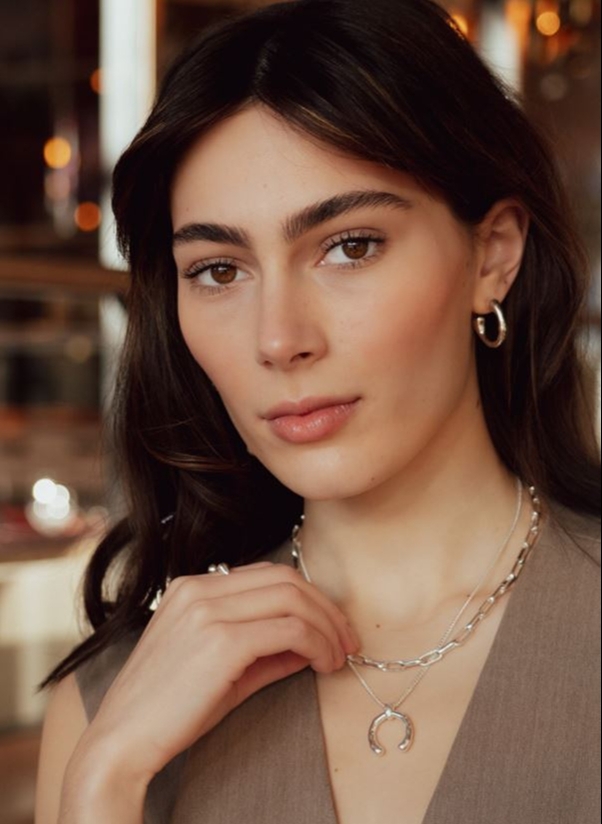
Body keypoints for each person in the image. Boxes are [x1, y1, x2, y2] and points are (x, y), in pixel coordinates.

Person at [35, 0, 600, 822]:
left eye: (351, 246)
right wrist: (104, 786)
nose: (279, 340)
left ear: (493, 255)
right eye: (220, 270)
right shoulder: (107, 713)